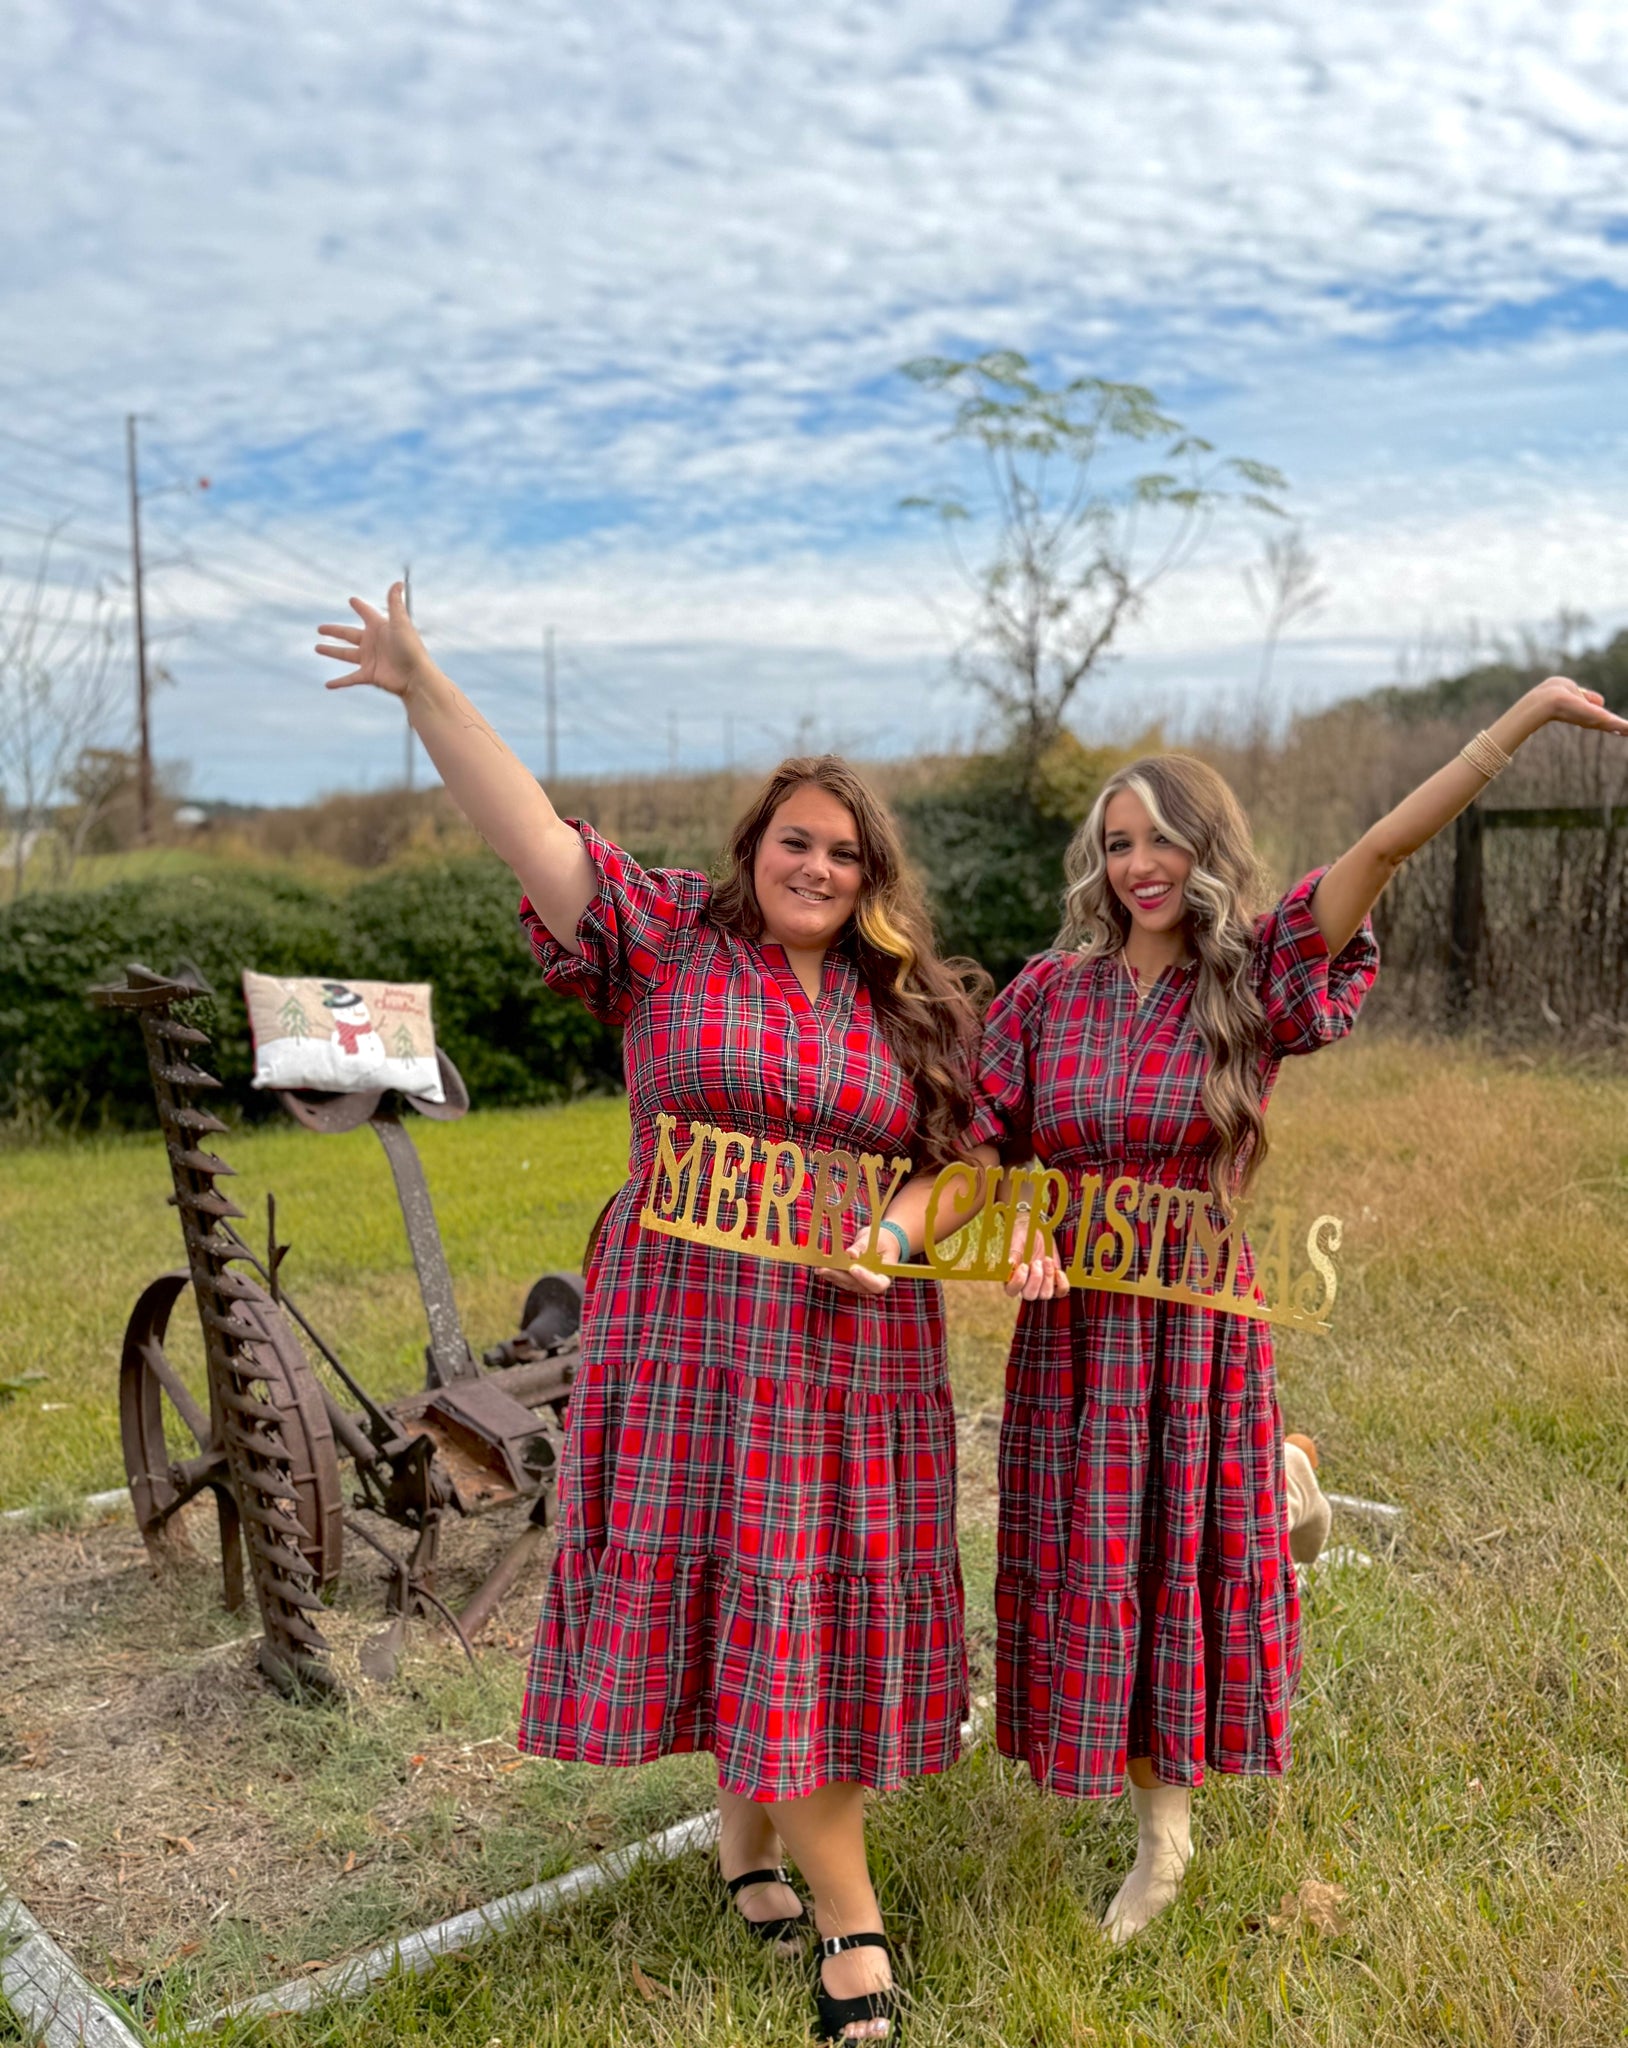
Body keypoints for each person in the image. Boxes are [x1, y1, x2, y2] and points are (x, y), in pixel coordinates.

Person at [316, 585, 988, 2041]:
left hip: (851, 1347)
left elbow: (965, 1167)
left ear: (874, 876)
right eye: (796, 840)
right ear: (753, 849)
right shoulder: (672, 938)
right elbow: (535, 834)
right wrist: (425, 686)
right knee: (747, 1576)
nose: (818, 864)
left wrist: (890, 1228)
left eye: (846, 850)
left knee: (807, 1593)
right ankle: (852, 1925)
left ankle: (752, 1844)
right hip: (690, 1332)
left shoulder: (906, 1003)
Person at [959, 676, 1628, 1943]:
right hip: (1079, 1332)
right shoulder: (1044, 994)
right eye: (1116, 841)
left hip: (1200, 1318)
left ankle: (1165, 1841)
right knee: (1103, 1559)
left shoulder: (1250, 974)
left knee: (1179, 1558)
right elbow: (986, 1137)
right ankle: (1284, 1489)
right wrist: (1026, 1221)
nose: (1138, 864)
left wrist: (1522, 719)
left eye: (1161, 836)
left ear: (1204, 849)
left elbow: (1379, 846)